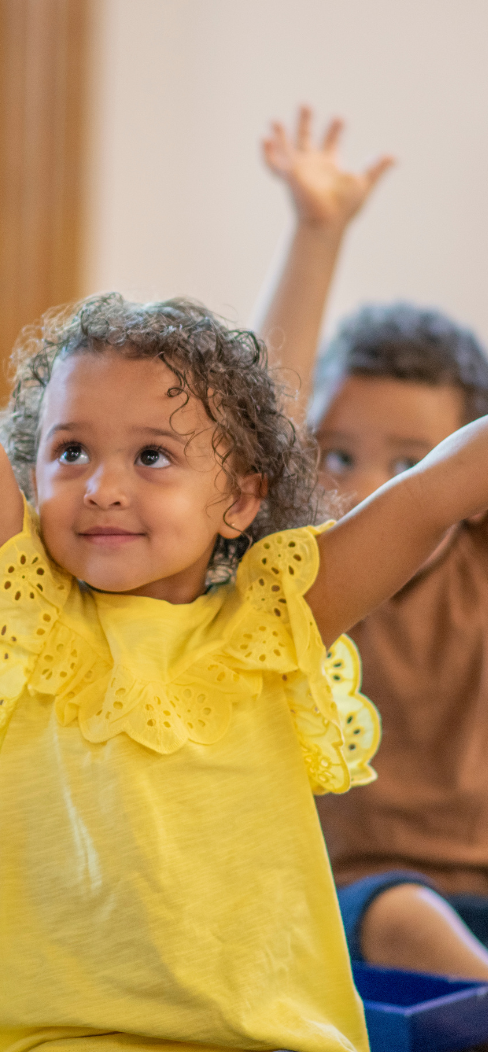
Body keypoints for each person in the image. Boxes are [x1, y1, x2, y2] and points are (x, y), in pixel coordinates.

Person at [0, 133, 488, 1052]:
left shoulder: (279, 620)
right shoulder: (25, 614)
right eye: (71, 451)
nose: (103, 486)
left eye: (152, 456)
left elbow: (438, 489)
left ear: (240, 499)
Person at [257, 105, 488, 980]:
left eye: (415, 465)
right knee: (408, 916)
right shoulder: (298, 583)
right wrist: (318, 235)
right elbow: (264, 411)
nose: (370, 492)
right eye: (340, 455)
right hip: (354, 903)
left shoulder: (474, 559)